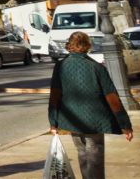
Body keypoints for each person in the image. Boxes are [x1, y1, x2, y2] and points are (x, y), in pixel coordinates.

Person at [48, 31, 133, 179]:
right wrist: (125, 124)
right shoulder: (96, 68)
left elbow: (55, 95)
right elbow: (112, 98)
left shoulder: (60, 66)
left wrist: (53, 122)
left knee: (82, 153)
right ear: (87, 46)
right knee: (95, 157)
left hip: (73, 120)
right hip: (95, 120)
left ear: (70, 46)